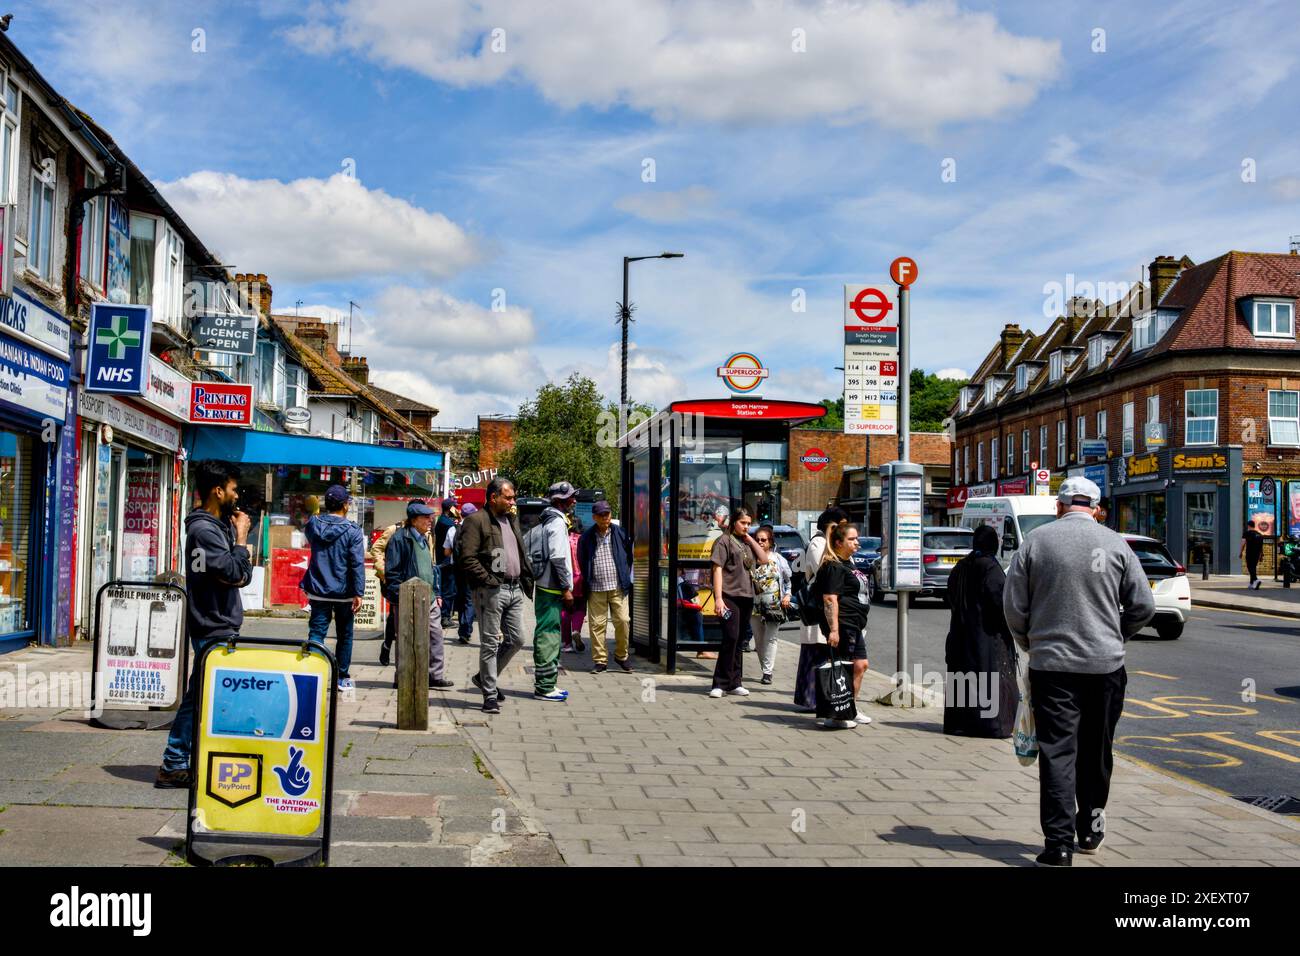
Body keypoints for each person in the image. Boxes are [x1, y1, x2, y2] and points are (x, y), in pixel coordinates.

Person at [1003, 476, 1155, 867]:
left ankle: (1058, 845)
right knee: (1097, 749)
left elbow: (1014, 607)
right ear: (1097, 508)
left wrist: (1031, 642)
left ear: (1059, 506)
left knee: (1057, 752)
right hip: (1106, 667)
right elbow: (1144, 606)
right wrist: (1116, 635)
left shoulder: (1036, 543)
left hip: (1052, 667)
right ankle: (1089, 828)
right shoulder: (1116, 543)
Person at [155, 460, 253, 788]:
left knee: (204, 695)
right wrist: (241, 540)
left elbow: (236, 574)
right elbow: (233, 572)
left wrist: (236, 549)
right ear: (217, 490)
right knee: (198, 696)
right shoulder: (204, 530)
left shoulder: (215, 525)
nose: (236, 494)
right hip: (212, 622)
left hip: (218, 619)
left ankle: (186, 758)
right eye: (233, 488)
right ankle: (173, 762)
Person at [459, 477, 535, 713]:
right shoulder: (476, 520)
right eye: (508, 497)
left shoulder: (511, 520)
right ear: (494, 498)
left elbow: (517, 553)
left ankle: (483, 678)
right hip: (491, 590)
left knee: (517, 639)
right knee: (490, 643)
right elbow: (467, 558)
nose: (513, 501)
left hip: (514, 588)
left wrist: (525, 577)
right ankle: (489, 694)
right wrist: (489, 580)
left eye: (513, 497)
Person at [943, 524, 1016, 738]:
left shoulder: (961, 566)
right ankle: (991, 725)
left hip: (960, 633)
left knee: (962, 678)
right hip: (986, 635)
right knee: (988, 678)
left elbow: (951, 595)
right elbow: (999, 602)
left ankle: (960, 724)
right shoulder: (991, 568)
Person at [301, 485, 366, 691]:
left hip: (318, 588)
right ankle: (342, 678)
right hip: (344, 591)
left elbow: (312, 539)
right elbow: (356, 563)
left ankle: (313, 675)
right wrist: (359, 592)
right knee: (344, 635)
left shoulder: (313, 524)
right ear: (346, 505)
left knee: (317, 632)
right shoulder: (352, 530)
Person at [384, 500, 454, 690]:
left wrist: (437, 591)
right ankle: (403, 677)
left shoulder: (425, 537)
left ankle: (434, 675)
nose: (430, 520)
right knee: (405, 639)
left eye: (430, 517)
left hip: (429, 596)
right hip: (409, 597)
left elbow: (430, 568)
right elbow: (393, 573)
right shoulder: (400, 539)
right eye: (426, 517)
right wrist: (401, 595)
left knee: (436, 635)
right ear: (414, 520)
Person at [708, 505, 770, 698]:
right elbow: (717, 569)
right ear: (733, 521)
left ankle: (735, 682)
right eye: (743, 522)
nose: (746, 526)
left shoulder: (745, 542)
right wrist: (718, 598)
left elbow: (764, 559)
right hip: (729, 596)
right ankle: (720, 683)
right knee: (730, 637)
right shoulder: (723, 541)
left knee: (740, 639)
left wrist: (750, 538)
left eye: (749, 524)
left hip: (747, 596)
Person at [814, 520, 872, 729]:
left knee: (860, 665)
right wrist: (834, 630)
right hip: (843, 624)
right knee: (843, 669)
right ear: (838, 542)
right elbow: (830, 599)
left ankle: (850, 708)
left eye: (856, 538)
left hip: (854, 624)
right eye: (852, 539)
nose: (857, 542)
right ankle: (836, 715)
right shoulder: (833, 567)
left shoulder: (848, 563)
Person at [524, 481, 576, 701]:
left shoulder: (548, 521)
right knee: (549, 635)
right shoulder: (556, 523)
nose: (573, 501)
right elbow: (557, 557)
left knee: (549, 632)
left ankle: (547, 683)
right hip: (553, 587)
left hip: (547, 585)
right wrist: (566, 588)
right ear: (559, 501)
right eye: (570, 498)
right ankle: (545, 687)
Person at [793, 508, 846, 711]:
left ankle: (822, 698)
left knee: (824, 654)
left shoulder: (831, 544)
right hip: (817, 607)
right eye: (840, 524)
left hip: (829, 607)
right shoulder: (818, 543)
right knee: (815, 654)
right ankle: (811, 699)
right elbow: (823, 569)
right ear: (829, 526)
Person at [578, 499, 633, 673]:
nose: (605, 518)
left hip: (618, 587)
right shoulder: (586, 538)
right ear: (594, 517)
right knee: (597, 625)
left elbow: (628, 558)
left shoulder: (621, 533)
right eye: (601, 515)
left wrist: (625, 575)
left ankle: (621, 655)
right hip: (596, 588)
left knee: (623, 621)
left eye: (607, 514)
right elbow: (582, 559)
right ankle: (600, 660)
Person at [369, 499, 426, 666]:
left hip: (418, 584)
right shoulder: (395, 529)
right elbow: (376, 549)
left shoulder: (426, 532)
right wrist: (383, 571)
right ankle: (388, 646)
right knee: (395, 616)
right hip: (395, 580)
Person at [751, 525, 792, 685]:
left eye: (763, 540)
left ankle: (767, 672)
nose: (760, 542)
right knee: (759, 639)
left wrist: (787, 595)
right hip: (754, 604)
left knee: (771, 638)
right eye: (758, 540)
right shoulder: (751, 559)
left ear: (770, 541)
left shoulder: (779, 559)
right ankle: (764, 668)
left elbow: (788, 581)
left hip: (774, 604)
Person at [445, 502, 477, 643]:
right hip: (472, 569)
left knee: (461, 598)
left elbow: (446, 551)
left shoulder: (453, 529)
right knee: (470, 600)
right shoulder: (476, 529)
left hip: (457, 569)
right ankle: (465, 629)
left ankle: (462, 629)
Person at [561, 513, 587, 654]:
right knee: (580, 607)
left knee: (565, 610)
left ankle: (567, 643)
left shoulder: (563, 540)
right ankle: (576, 629)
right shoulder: (583, 540)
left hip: (566, 579)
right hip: (581, 579)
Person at [435, 498, 459, 626]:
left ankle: (445, 615)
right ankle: (445, 617)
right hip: (447, 560)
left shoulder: (442, 521)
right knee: (448, 590)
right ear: (450, 508)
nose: (456, 509)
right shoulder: (448, 524)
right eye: (454, 507)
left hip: (443, 559)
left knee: (447, 588)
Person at [1240, 519, 1264, 590]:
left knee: (1249, 567)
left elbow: (1243, 544)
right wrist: (1261, 555)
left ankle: (1256, 580)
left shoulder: (1246, 533)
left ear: (1248, 526)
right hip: (1257, 553)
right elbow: (1261, 546)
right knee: (1253, 567)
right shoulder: (1260, 535)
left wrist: (1240, 552)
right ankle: (1251, 584)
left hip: (1250, 552)